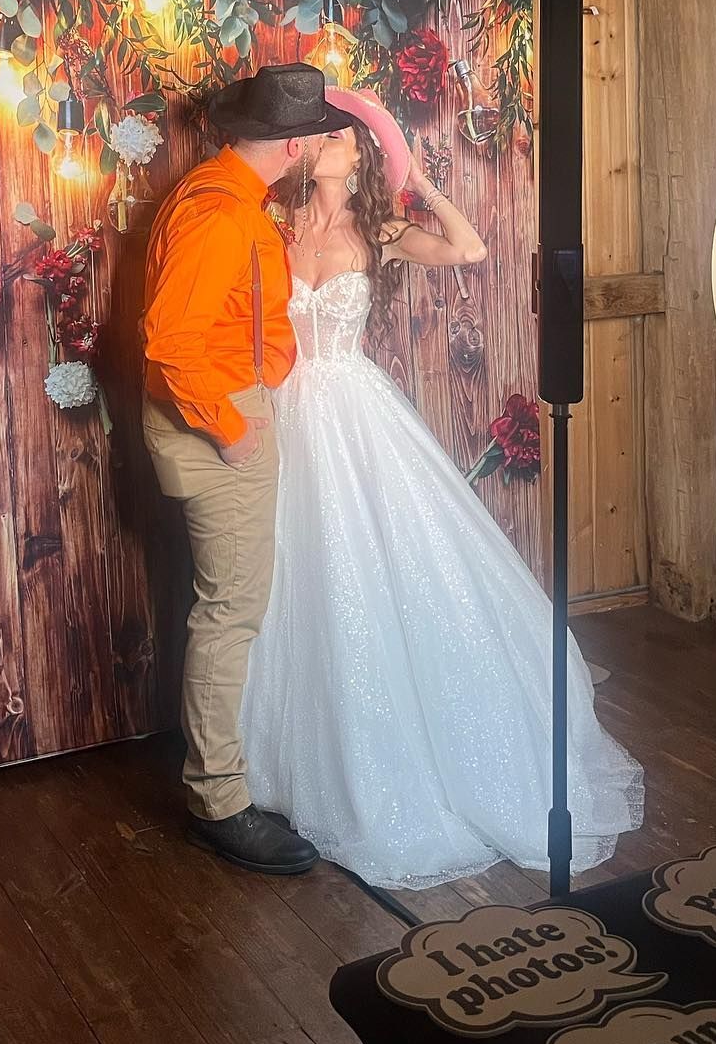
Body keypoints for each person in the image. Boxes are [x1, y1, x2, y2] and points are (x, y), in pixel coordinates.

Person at [240, 84, 644, 890]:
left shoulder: (380, 230)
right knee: (290, 576)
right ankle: (282, 765)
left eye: (341, 138)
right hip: (284, 407)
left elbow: (469, 249)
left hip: (353, 413)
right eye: (324, 137)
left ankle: (398, 765)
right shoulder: (276, 224)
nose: (327, 144)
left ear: (359, 158)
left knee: (368, 568)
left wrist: (419, 182)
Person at [141, 63, 342, 875]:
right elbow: (170, 342)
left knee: (233, 607)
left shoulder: (230, 195)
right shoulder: (220, 212)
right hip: (216, 417)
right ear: (293, 147)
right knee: (229, 614)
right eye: (315, 135)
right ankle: (219, 802)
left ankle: (227, 781)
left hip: (231, 402)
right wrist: (231, 431)